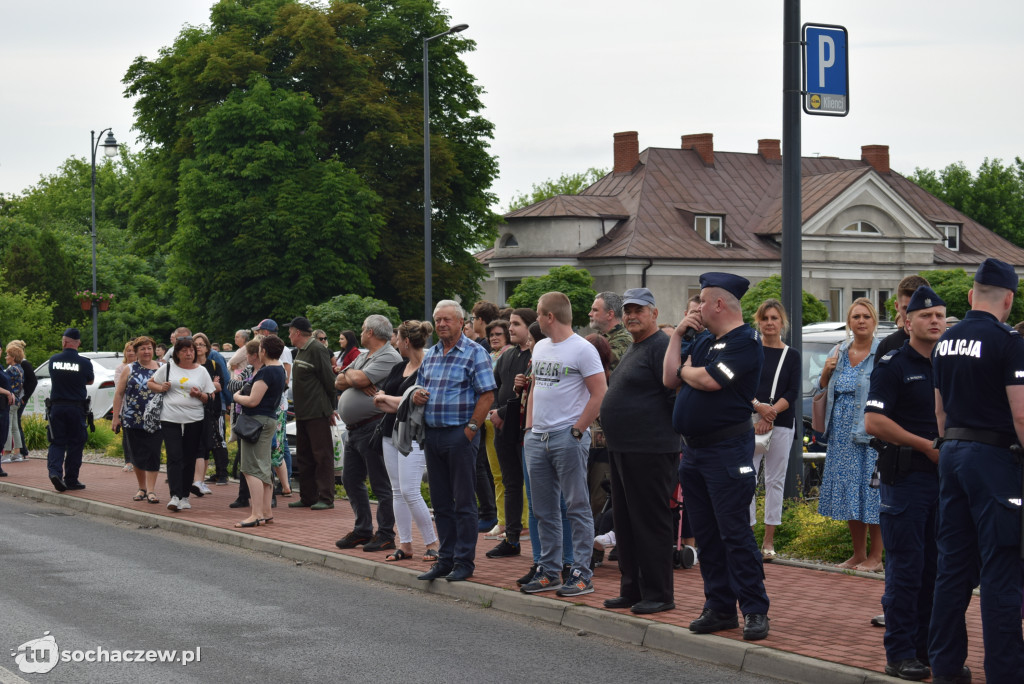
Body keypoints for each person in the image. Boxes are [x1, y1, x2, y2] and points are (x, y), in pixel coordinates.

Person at [928, 258, 1024, 684]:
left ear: (971, 296)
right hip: (994, 460)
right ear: (1008, 299)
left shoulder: (945, 341)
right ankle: (1005, 672)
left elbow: (939, 414)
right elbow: (1021, 416)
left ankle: (946, 667)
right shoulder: (1008, 341)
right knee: (1001, 569)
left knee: (952, 568)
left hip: (952, 454)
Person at [663, 272, 770, 641]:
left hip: (727, 451)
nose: (697, 308)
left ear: (719, 304)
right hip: (694, 451)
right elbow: (669, 379)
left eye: (702, 302)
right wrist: (677, 336)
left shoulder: (746, 341)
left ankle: (754, 610)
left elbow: (711, 380)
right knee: (707, 535)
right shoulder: (705, 339)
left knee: (734, 534)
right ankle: (720, 607)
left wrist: (687, 370)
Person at [864, 286, 945, 682]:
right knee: (906, 570)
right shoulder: (894, 364)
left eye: (940, 316)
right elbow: (873, 422)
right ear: (907, 320)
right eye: (926, 316)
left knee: (936, 570)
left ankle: (928, 652)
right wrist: (924, 445)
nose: (934, 321)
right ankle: (899, 654)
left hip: (945, 482)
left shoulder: (949, 364)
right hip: (908, 479)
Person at [520, 292, 607, 597]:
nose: (537, 319)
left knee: (576, 506)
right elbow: (534, 388)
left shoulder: (582, 349)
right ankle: (550, 571)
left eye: (539, 314)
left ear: (549, 317)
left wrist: (577, 431)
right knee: (544, 510)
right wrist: (530, 429)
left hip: (566, 438)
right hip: (538, 438)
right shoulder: (541, 346)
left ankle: (582, 574)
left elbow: (600, 393)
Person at [600, 288, 679, 615]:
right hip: (623, 450)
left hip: (650, 450)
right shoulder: (636, 347)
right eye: (628, 310)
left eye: (639, 310)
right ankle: (631, 588)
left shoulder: (661, 347)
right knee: (627, 523)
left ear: (654, 314)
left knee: (650, 522)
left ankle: (659, 593)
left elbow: (673, 396)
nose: (633, 315)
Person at [413, 300, 496, 583]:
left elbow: (487, 395)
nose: (441, 325)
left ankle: (464, 561)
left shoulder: (475, 353)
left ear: (462, 322)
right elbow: (420, 387)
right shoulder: (432, 354)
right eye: (437, 320)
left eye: (447, 319)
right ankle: (444, 560)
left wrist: (471, 430)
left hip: (459, 435)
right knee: (441, 503)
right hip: (433, 435)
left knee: (463, 502)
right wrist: (417, 396)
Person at [816, 298, 884, 572]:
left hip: (869, 434)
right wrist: (824, 375)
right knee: (849, 494)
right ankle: (858, 553)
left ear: (874, 321)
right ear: (849, 321)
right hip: (841, 435)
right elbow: (822, 389)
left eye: (866, 316)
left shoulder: (882, 352)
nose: (861, 321)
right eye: (856, 316)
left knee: (872, 495)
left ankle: (876, 557)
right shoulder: (839, 351)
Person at [372, 320, 441, 562]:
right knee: (397, 491)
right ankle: (406, 544)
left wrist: (387, 399)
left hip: (412, 434)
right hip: (390, 433)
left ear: (406, 341)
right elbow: (393, 398)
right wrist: (391, 399)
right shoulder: (400, 366)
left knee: (410, 490)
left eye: (397, 339)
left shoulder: (428, 367)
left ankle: (432, 543)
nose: (395, 343)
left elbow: (413, 400)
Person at [334, 315, 402, 549]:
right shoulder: (364, 356)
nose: (360, 333)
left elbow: (359, 377)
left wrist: (352, 377)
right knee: (350, 479)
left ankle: (386, 534)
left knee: (380, 482)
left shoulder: (389, 356)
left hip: (373, 427)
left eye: (363, 329)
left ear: (371, 332)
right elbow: (339, 381)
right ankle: (362, 529)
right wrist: (351, 378)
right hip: (354, 430)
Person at [748, 299, 801, 561]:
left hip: (780, 422)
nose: (770, 323)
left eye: (774, 318)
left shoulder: (792, 355)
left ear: (783, 323)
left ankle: (769, 540)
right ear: (759, 322)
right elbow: (742, 385)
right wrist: (760, 409)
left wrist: (771, 412)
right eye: (765, 318)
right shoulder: (750, 350)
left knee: (774, 481)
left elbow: (792, 391)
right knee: (747, 478)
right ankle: (747, 536)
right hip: (751, 420)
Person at [485, 308, 537, 559]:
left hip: (524, 429)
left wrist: (503, 413)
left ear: (530, 327)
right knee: (511, 483)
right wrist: (496, 411)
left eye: (516, 324)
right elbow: (494, 388)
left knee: (532, 487)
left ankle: (538, 541)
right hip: (503, 430)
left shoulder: (536, 355)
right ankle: (512, 538)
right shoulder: (507, 356)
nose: (510, 329)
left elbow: (526, 396)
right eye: (510, 324)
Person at [148, 336, 216, 512]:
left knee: (189, 457)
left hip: (195, 419)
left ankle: (185, 496)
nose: (189, 353)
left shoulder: (201, 371)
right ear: (177, 353)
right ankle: (175, 496)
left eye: (191, 350)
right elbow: (151, 383)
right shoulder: (168, 367)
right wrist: (161, 387)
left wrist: (199, 395)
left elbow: (211, 396)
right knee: (174, 456)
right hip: (170, 418)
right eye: (184, 350)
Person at [232, 334, 287, 528]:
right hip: (268, 420)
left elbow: (253, 400)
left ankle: (255, 514)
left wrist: (237, 397)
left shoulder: (266, 372)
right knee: (263, 466)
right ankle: (266, 512)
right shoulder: (279, 369)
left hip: (256, 421)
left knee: (250, 468)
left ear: (263, 351)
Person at [287, 316, 338, 511]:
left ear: (298, 332)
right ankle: (308, 496)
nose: (289, 335)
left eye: (290, 331)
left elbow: (329, 380)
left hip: (317, 412)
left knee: (322, 455)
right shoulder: (300, 351)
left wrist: (331, 408)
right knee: (305, 456)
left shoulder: (317, 349)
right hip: (302, 413)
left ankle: (326, 497)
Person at [111, 336, 163, 504]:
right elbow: (119, 393)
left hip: (157, 419)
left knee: (153, 453)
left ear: (153, 350)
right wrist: (115, 417)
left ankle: (152, 490)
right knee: (137, 455)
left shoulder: (163, 368)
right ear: (136, 351)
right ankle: (142, 488)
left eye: (149, 348)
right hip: (132, 417)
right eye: (142, 349)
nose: (146, 352)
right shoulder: (129, 368)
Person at [46, 328, 94, 492]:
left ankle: (55, 473)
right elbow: (90, 381)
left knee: (57, 442)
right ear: (78, 343)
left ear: (65, 341)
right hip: (76, 408)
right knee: (75, 443)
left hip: (57, 407)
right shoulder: (85, 362)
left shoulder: (54, 360)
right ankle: (71, 480)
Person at [481, 318, 512, 538]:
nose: (494, 338)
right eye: (491, 334)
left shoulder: (509, 356)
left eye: (498, 334)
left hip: (502, 418)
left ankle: (515, 521)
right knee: (496, 474)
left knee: (508, 474)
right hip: (487, 418)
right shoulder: (490, 356)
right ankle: (502, 521)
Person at [190, 332, 225, 495]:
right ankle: (197, 480)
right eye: (196, 344)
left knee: (207, 445)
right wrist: (211, 385)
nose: (199, 347)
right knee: (198, 445)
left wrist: (209, 386)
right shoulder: (190, 365)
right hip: (193, 408)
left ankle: (200, 481)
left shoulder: (213, 364)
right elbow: (195, 386)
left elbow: (220, 386)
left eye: (201, 344)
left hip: (212, 408)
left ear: (207, 347)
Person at [875, 275, 931, 363]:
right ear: (897, 306)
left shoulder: (944, 344)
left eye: (918, 308)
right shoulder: (886, 346)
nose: (911, 315)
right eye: (906, 309)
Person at [588, 291, 632, 369]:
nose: (590, 314)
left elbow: (598, 368)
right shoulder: (600, 337)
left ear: (610, 314)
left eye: (595, 310)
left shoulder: (624, 340)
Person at [10, 340, 36, 461]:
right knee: (16, 423)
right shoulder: (17, 364)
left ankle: (21, 451)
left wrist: (25, 397)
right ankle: (21, 450)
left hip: (19, 398)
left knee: (15, 423)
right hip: (18, 397)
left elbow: (33, 381)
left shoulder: (24, 365)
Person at [114, 340, 137, 472]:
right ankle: (128, 461)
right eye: (128, 350)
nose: (131, 353)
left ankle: (138, 460)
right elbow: (120, 388)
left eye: (133, 350)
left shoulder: (142, 366)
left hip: (140, 405)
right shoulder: (121, 368)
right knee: (127, 434)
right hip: (125, 405)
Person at [4, 342, 26, 458]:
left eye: (7, 355)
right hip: (17, 401)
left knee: (7, 426)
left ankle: (6, 453)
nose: (6, 357)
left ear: (13, 357)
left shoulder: (11, 370)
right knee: (14, 427)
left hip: (10, 401)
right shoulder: (20, 369)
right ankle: (17, 452)